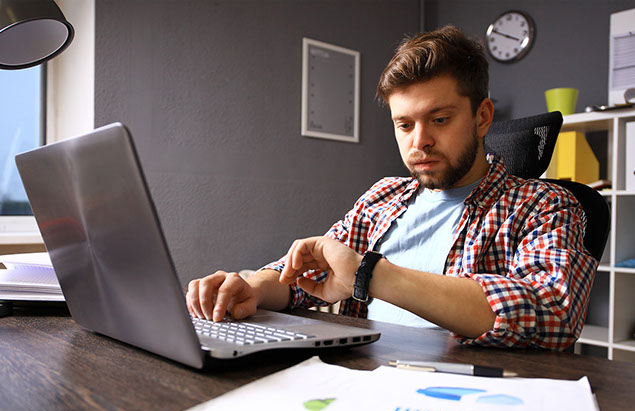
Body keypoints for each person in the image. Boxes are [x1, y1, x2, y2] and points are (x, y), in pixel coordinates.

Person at [186, 25, 597, 350]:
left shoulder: (543, 205)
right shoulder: (383, 197)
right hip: (356, 379)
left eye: (439, 119)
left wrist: (370, 274)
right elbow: (305, 275)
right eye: (405, 124)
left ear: (483, 116)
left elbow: (552, 313)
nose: (419, 142)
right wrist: (250, 286)